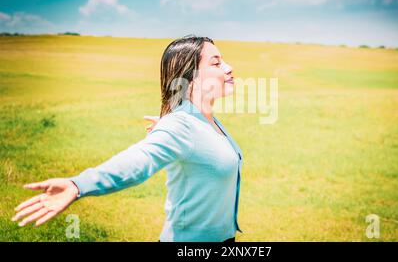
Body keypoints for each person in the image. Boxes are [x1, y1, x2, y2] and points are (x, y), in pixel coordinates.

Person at [12, 36, 244, 242]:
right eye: (216, 63)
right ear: (189, 77)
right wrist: (79, 185)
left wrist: (176, 129)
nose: (228, 67)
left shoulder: (204, 122)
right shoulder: (181, 125)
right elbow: (139, 160)